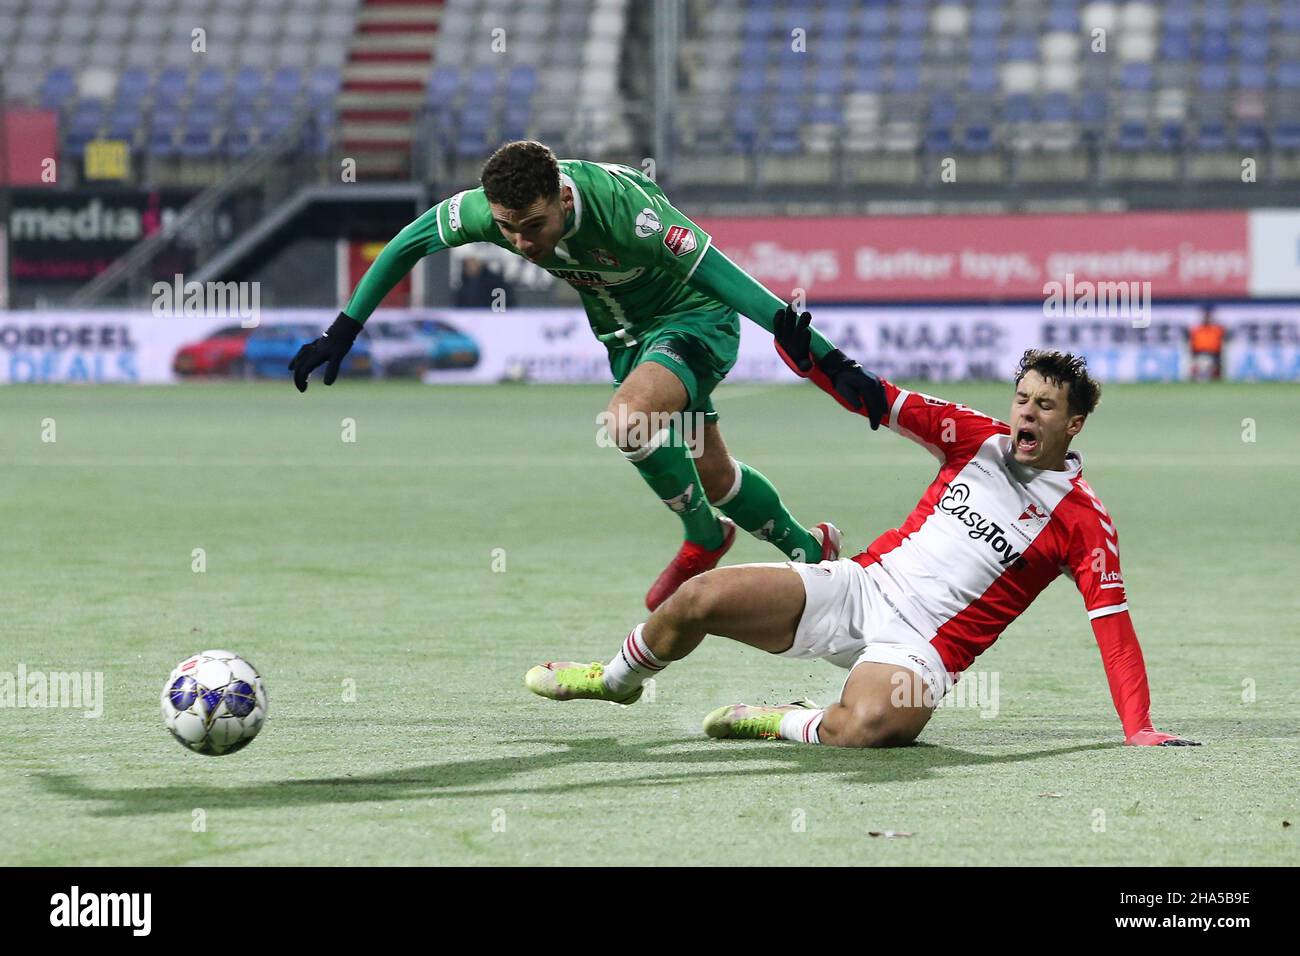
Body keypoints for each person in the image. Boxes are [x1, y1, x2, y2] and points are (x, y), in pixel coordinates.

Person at [524, 311, 1199, 749]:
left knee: (869, 725)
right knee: (698, 600)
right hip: (861, 589)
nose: (1025, 414)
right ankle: (614, 681)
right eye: (1022, 398)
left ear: (1072, 423)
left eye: (1045, 406)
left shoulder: (1084, 521)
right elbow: (870, 393)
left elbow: (1113, 625)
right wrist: (807, 355)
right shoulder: (976, 438)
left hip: (923, 650)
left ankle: (776, 719)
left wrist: (1137, 728)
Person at [289, 141, 849, 608]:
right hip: (625, 338)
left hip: (692, 320)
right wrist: (343, 330)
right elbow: (409, 243)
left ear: (561, 196)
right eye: (508, 229)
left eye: (533, 225)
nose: (523, 243)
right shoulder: (494, 211)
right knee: (716, 476)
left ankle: (703, 537)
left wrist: (799, 338)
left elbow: (725, 276)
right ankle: (814, 550)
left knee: (628, 422)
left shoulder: (624, 210)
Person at [1188, 310, 1227, 382]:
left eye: (1208, 317)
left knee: (1214, 366)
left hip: (1214, 354)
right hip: (1199, 353)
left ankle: (1215, 378)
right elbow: (1192, 343)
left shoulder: (1216, 329)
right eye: (1205, 317)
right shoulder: (1196, 329)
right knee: (1199, 364)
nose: (1206, 319)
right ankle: (1196, 378)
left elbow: (1221, 341)